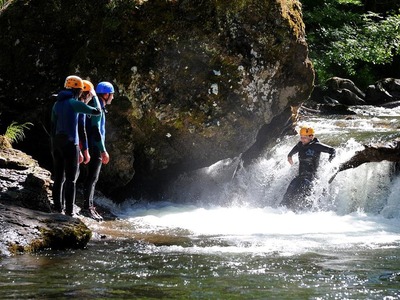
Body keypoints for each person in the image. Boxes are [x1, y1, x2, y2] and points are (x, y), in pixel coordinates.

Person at [51, 75, 101, 216]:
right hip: (71, 145)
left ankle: (57, 208)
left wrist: (52, 146)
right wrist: (93, 98)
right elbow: (97, 112)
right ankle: (69, 212)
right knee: (71, 180)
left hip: (56, 144)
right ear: (78, 90)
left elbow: (52, 126)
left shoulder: (56, 104)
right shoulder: (75, 103)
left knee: (58, 178)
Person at [281, 126, 336, 211]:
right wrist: (292, 164)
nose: (302, 140)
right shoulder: (300, 145)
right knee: (288, 193)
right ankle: (280, 211)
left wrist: (328, 163)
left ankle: (302, 214)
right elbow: (289, 155)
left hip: (310, 178)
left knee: (302, 196)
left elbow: (332, 151)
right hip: (300, 177)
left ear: (311, 137)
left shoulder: (316, 146)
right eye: (301, 137)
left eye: (305, 138)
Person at [81, 81, 114, 221]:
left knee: (88, 177)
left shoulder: (95, 104)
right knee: (93, 177)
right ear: (106, 94)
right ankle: (87, 207)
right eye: (111, 94)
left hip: (87, 145)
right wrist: (103, 150)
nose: (112, 97)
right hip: (94, 146)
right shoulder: (97, 106)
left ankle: (88, 205)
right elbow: (96, 130)